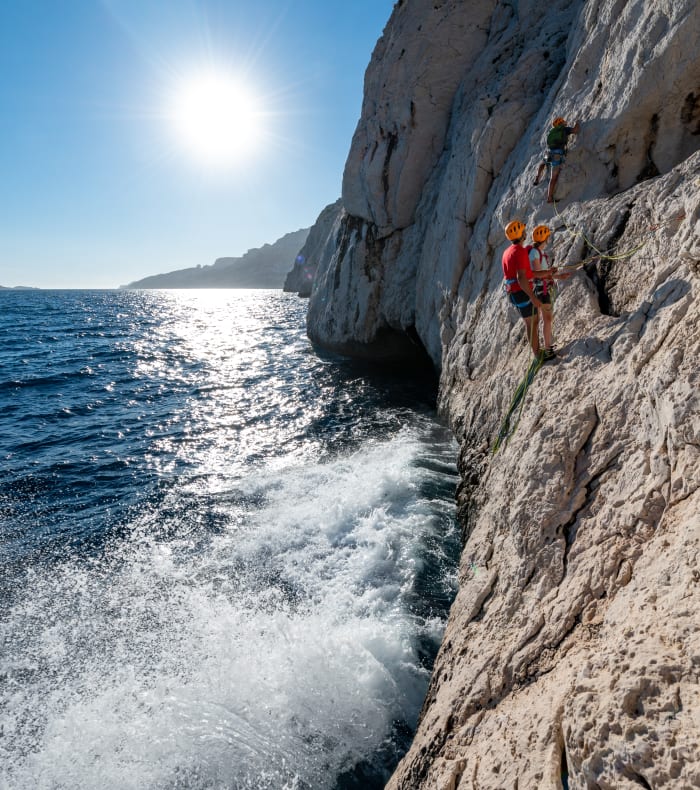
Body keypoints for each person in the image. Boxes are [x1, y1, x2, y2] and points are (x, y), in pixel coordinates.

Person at [502, 220, 544, 358]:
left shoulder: (507, 252)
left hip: (513, 292)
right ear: (520, 234)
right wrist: (532, 296)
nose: (526, 232)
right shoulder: (519, 251)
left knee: (531, 322)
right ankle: (538, 354)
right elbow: (521, 277)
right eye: (523, 231)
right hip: (522, 291)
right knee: (532, 323)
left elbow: (523, 274)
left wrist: (548, 272)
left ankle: (537, 352)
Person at [533, 117, 580, 203]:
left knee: (543, 163)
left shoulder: (552, 131)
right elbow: (575, 130)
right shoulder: (564, 129)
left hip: (549, 153)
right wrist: (578, 122)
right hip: (557, 155)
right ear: (562, 123)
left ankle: (537, 177)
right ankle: (549, 197)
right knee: (553, 178)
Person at [528, 225, 557, 360]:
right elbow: (538, 273)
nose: (548, 240)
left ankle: (547, 347)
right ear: (543, 239)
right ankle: (548, 349)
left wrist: (553, 274)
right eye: (547, 238)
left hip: (542, 288)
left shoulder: (539, 253)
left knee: (547, 319)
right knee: (547, 319)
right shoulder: (535, 253)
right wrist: (549, 274)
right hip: (542, 290)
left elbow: (542, 273)